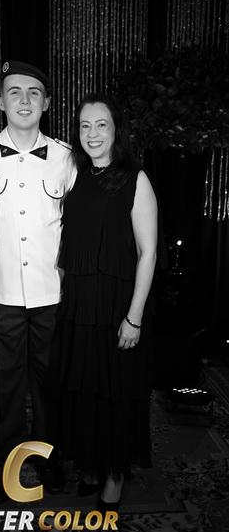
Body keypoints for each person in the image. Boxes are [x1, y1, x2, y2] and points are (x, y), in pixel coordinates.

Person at [0, 61, 77, 503]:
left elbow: (77, 226)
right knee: (7, 387)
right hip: (4, 295)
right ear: (0, 102)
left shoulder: (67, 157)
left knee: (50, 386)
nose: (25, 100)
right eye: (15, 92)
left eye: (34, 92)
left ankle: (50, 462)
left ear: (47, 103)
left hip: (53, 293)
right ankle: (8, 471)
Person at [50, 92, 157, 509]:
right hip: (79, 305)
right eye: (84, 126)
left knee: (116, 391)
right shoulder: (77, 175)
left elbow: (148, 252)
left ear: (116, 130)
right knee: (85, 388)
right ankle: (92, 462)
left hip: (117, 306)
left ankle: (115, 471)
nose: (92, 134)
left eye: (101, 125)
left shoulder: (136, 179)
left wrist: (134, 317)